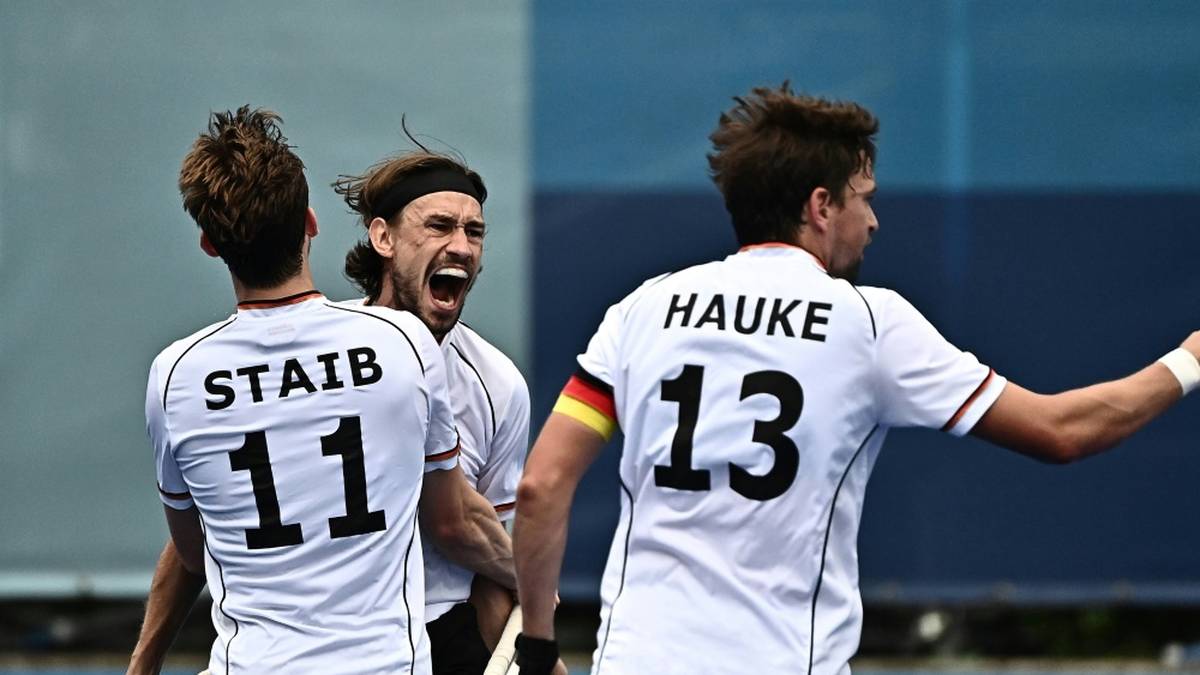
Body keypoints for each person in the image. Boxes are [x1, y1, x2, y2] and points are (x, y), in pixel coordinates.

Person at [510, 84, 1200, 675]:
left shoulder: (643, 309)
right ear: (820, 206)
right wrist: (1190, 359)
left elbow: (541, 486)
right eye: (862, 198)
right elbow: (1063, 431)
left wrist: (537, 648)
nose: (872, 220)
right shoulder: (868, 322)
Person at [134, 107, 513, 675]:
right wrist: (536, 575)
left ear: (210, 244)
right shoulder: (404, 344)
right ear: (310, 223)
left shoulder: (175, 375)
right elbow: (451, 517)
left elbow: (195, 550)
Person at [334, 149, 552, 674]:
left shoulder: (498, 385)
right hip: (328, 638)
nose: (461, 246)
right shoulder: (319, 356)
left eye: (474, 232)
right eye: (439, 226)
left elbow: (489, 565)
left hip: (442, 636)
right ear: (383, 238)